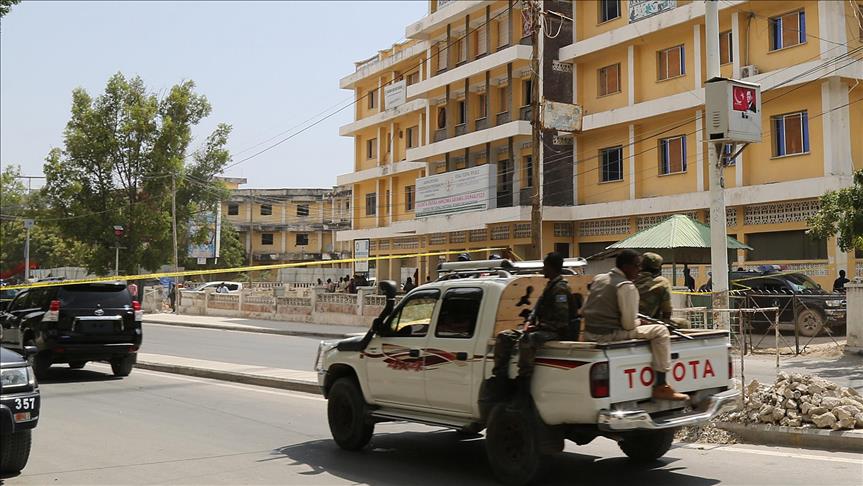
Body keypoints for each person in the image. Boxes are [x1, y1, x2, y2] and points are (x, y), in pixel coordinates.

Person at [582, 249, 689, 401]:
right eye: (636, 266)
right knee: (661, 331)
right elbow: (628, 326)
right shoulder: (626, 286)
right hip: (610, 335)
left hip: (589, 333)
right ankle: (661, 385)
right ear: (626, 267)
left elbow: (585, 310)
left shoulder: (599, 279)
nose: (639, 270)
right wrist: (640, 322)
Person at [492, 252, 571, 407]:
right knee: (504, 336)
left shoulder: (560, 289)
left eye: (545, 266)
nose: (543, 269)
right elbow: (536, 309)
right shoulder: (550, 286)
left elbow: (562, 321)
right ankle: (500, 379)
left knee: (527, 340)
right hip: (541, 328)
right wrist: (529, 322)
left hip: (553, 331)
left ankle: (523, 385)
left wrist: (539, 327)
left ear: (552, 267)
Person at [635, 253, 690, 329]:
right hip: (648, 322)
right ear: (659, 268)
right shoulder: (661, 282)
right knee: (684, 323)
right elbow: (667, 312)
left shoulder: (631, 279)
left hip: (633, 321)